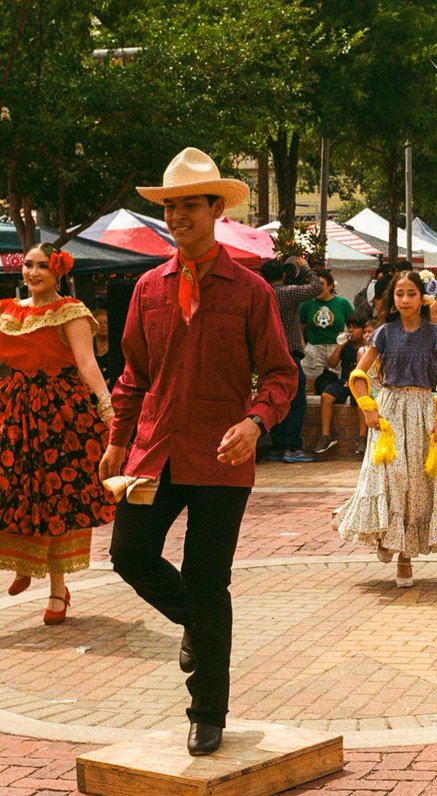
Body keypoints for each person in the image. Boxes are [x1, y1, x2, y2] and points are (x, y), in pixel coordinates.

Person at [101, 147, 296, 756]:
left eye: (190, 204)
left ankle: (207, 711)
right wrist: (117, 440)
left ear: (217, 210)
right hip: (154, 450)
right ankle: (195, 623)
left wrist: (255, 423)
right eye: (171, 206)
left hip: (221, 458)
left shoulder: (251, 291)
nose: (178, 216)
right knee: (129, 553)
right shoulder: (147, 288)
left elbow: (280, 374)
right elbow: (133, 375)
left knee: (209, 582)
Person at [0, 244, 114, 623]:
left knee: (54, 496)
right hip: (15, 408)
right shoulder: (8, 311)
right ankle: (24, 560)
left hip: (58, 411)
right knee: (13, 487)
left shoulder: (71, 311)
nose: (33, 272)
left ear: (57, 272)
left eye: (42, 267)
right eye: (28, 265)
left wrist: (106, 406)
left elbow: (86, 362)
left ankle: (57, 591)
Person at [335, 271, 437, 585]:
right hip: (390, 412)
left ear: (422, 297)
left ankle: (405, 557)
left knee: (415, 483)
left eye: (411, 293)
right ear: (392, 299)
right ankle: (386, 535)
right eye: (399, 294)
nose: (405, 300)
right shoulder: (384, 333)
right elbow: (358, 375)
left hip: (422, 411)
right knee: (392, 476)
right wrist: (368, 407)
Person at [261, 257, 322, 463]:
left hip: (267, 354)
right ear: (284, 275)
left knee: (274, 398)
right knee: (296, 401)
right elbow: (316, 287)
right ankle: (293, 448)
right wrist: (305, 267)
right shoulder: (287, 293)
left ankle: (277, 447)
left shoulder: (261, 294)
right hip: (289, 352)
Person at [314, 315, 370, 455]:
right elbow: (332, 364)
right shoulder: (345, 345)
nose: (351, 331)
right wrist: (339, 346)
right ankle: (326, 436)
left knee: (361, 399)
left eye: (355, 328)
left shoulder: (368, 347)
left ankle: (362, 438)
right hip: (345, 380)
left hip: (361, 381)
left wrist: (354, 381)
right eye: (349, 328)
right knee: (326, 396)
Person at [299, 270, 355, 392]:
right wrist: (304, 347)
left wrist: (344, 342)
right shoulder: (307, 304)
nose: (317, 288)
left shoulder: (342, 303)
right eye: (314, 284)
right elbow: (299, 327)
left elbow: (354, 326)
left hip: (336, 348)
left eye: (321, 284)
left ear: (330, 286)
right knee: (311, 389)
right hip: (313, 348)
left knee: (335, 386)